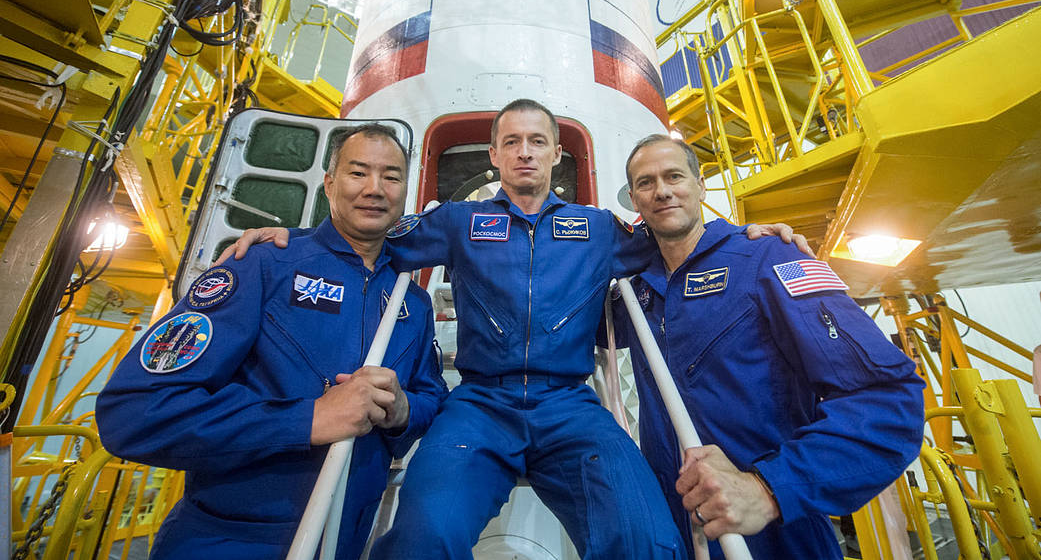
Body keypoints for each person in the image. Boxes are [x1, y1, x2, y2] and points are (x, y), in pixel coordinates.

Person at [222, 100, 808, 559]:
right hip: (480, 404)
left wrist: (749, 234)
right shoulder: (458, 222)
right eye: (511, 143)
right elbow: (366, 234)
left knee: (648, 538)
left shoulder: (598, 229)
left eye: (536, 142)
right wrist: (288, 243)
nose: (524, 152)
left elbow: (676, 238)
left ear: (556, 153)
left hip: (569, 406)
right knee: (419, 539)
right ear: (495, 158)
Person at [95, 125, 449, 560]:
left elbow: (432, 396)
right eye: (359, 173)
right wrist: (309, 419)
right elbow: (135, 413)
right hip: (228, 541)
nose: (375, 189)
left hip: (346, 539)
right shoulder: (263, 264)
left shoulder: (409, 299)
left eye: (391, 177)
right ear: (329, 183)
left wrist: (403, 410)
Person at [608, 133, 925, 559]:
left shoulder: (768, 256)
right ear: (633, 198)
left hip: (775, 531)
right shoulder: (636, 288)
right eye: (646, 183)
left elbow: (888, 399)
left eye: (674, 176)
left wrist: (769, 489)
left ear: (701, 186)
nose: (662, 190)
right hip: (678, 530)